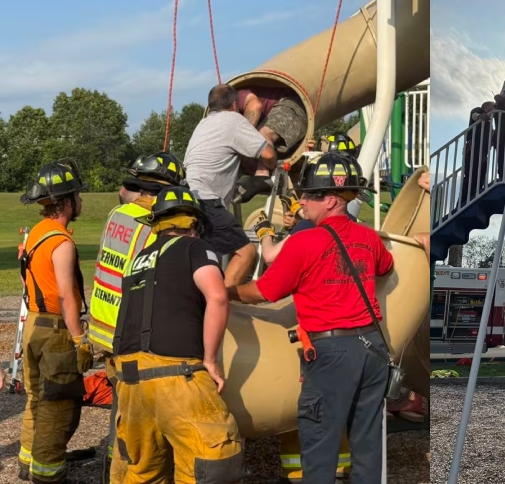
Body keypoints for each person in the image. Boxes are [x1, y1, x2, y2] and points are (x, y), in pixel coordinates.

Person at [227, 150, 394, 483]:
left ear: (331, 200)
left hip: (331, 354)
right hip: (373, 348)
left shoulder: (304, 242)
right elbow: (385, 267)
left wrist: (228, 291)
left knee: (319, 446)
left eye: (311, 195)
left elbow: (265, 292)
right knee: (368, 444)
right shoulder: (368, 238)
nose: (302, 201)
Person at [108, 186, 244, 483]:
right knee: (209, 464)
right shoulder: (194, 248)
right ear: (194, 224)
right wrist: (210, 360)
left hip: (130, 383)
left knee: (142, 471)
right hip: (177, 376)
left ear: (157, 224)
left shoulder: (138, 260)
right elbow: (218, 297)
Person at [88, 152, 186, 483]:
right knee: (132, 417)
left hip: (103, 325)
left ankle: (115, 469)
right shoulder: (150, 227)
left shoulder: (118, 213)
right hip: (126, 332)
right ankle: (122, 472)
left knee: (121, 408)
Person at [18, 159, 94, 484]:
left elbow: (26, 282)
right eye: (77, 194)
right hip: (55, 332)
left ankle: (28, 460)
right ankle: (48, 473)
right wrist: (79, 340)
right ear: (65, 202)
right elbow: (66, 296)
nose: (81, 200)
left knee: (36, 398)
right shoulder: (61, 242)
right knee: (58, 405)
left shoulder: (36, 233)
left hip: (34, 324)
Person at [183, 83, 278, 287]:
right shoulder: (234, 119)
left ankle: (203, 303)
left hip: (187, 196)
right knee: (246, 253)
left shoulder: (203, 124)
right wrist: (271, 165)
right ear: (235, 105)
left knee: (206, 258)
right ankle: (221, 302)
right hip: (207, 200)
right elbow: (268, 154)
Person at [237, 85, 310, 173]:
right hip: (282, 136)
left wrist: (241, 139)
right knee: (246, 157)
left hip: (292, 103)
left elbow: (255, 106)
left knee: (261, 136)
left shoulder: (234, 95)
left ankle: (262, 175)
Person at [460, 102, 495, 208]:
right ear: (486, 107)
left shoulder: (489, 124)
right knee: (471, 175)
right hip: (473, 149)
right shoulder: (479, 111)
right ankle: (463, 202)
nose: (494, 108)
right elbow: (474, 115)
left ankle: (474, 197)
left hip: (483, 152)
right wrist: (480, 116)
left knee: (480, 176)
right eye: (493, 106)